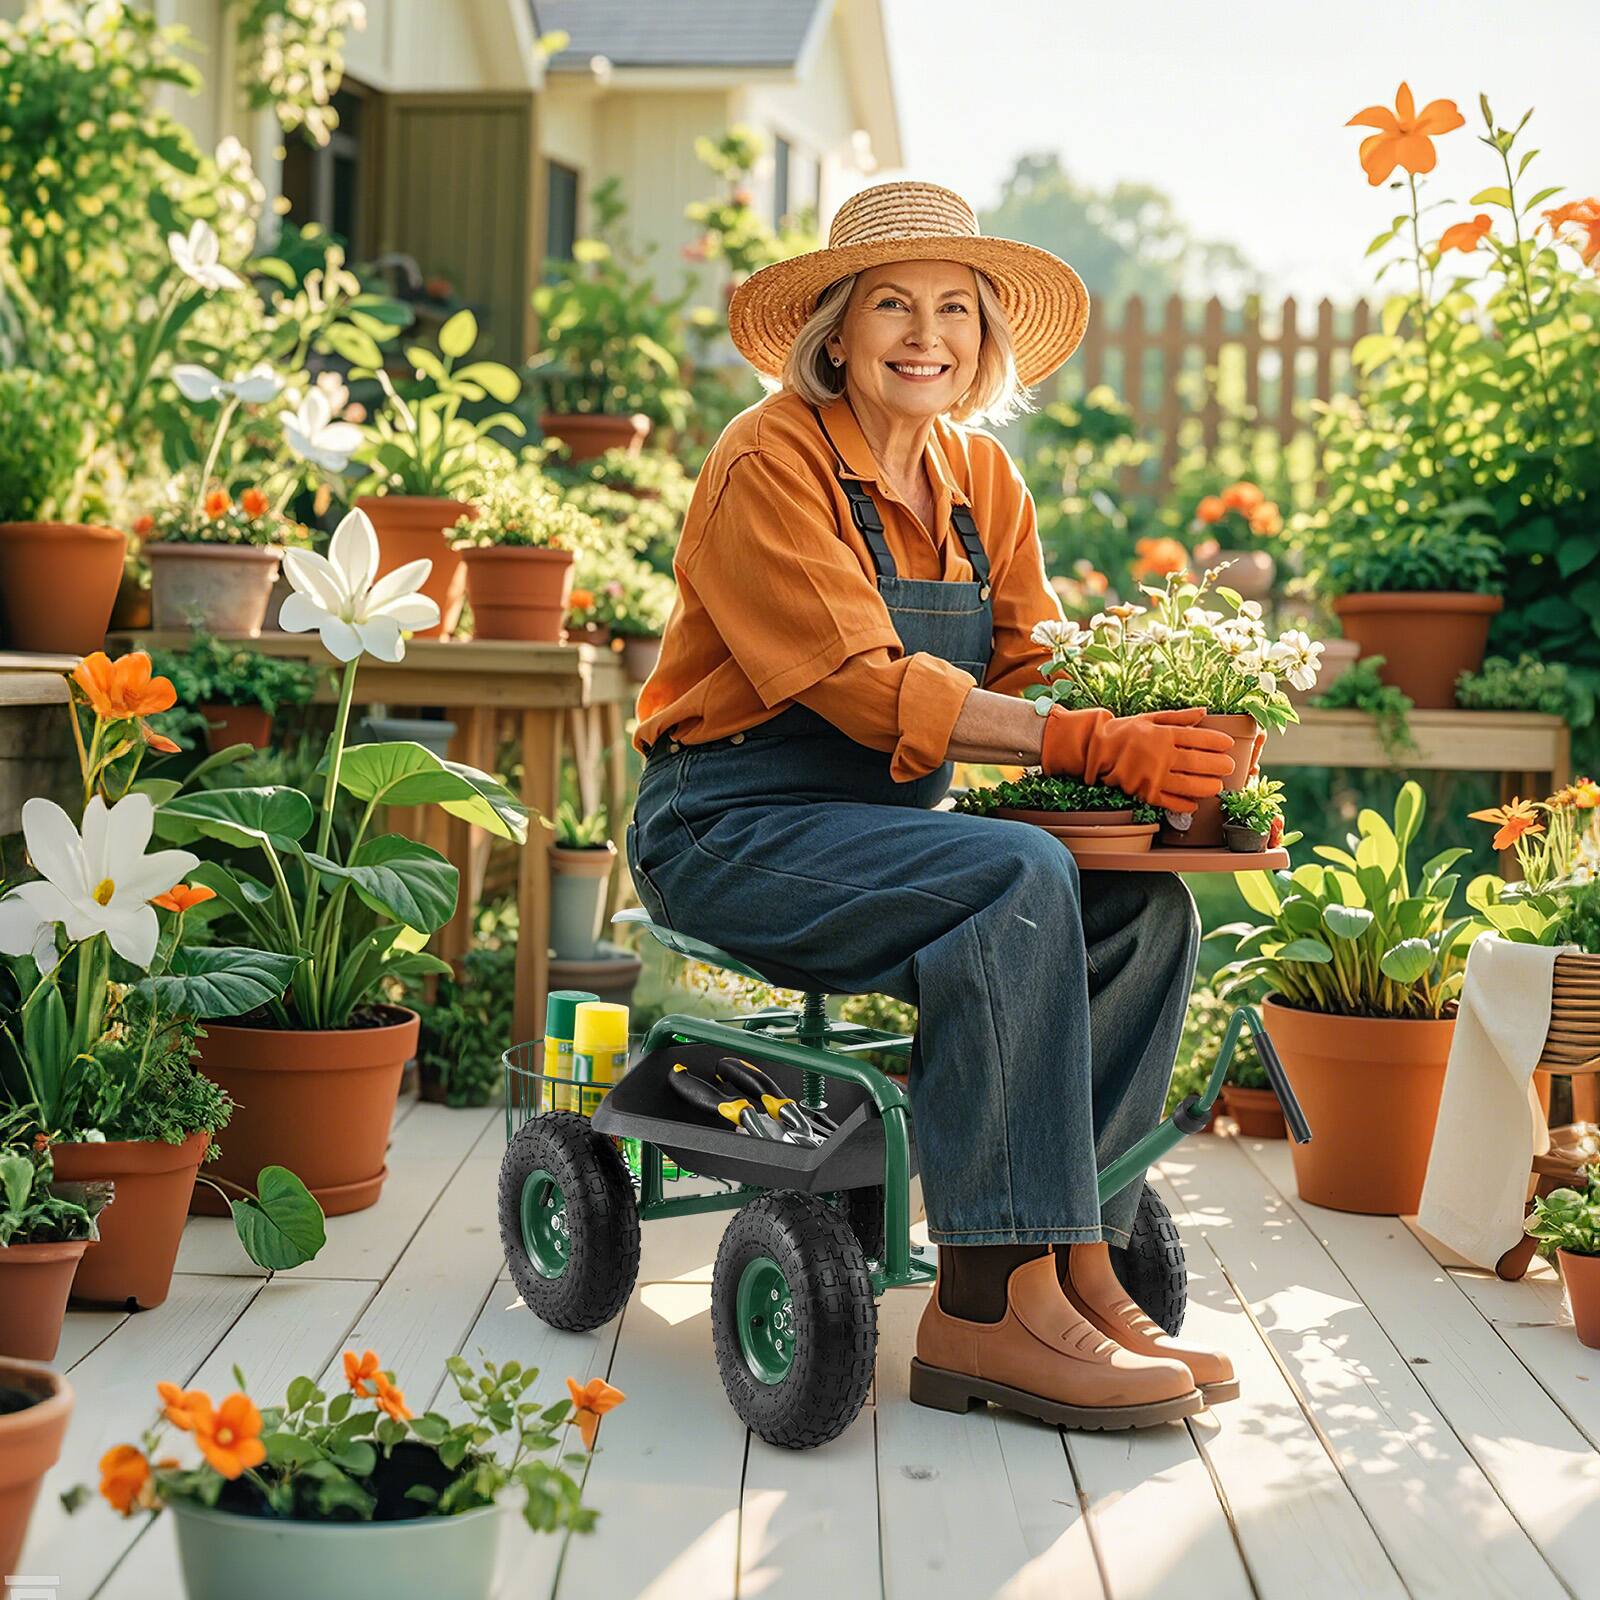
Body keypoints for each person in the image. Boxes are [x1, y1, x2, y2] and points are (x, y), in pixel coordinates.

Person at [627, 180, 1238, 1428]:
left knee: (1143, 907)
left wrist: (1168, 708)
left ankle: (1079, 1260)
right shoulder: (769, 458)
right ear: (835, 332)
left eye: (953, 307)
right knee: (1015, 876)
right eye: (891, 304)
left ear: (982, 337)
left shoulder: (977, 476)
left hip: (889, 833)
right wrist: (1087, 738)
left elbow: (1029, 662)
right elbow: (859, 685)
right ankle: (984, 1305)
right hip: (729, 823)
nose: (925, 333)